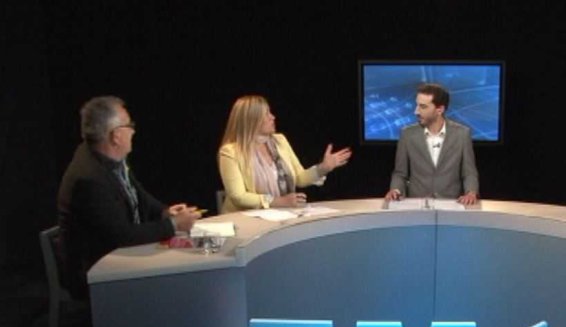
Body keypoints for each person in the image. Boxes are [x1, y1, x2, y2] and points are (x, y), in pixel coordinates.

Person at [57, 96, 201, 298]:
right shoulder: (89, 178)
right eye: (129, 125)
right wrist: (173, 225)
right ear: (116, 136)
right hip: (96, 270)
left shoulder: (112, 160)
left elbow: (139, 194)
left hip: (117, 255)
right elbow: (123, 236)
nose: (133, 131)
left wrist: (164, 212)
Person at [217, 95, 351, 212]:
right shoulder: (230, 152)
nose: (273, 117)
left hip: (280, 215)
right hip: (244, 220)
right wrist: (277, 201)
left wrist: (323, 168)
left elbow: (299, 178)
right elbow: (238, 196)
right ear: (252, 120)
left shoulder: (279, 141)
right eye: (266, 114)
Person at [385, 83, 480, 205]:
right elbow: (400, 173)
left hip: (451, 204)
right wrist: (395, 189)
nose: (416, 111)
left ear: (439, 109)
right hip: (418, 205)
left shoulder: (462, 134)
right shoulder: (407, 134)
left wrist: (471, 192)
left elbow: (469, 173)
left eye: (423, 107)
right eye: (417, 105)